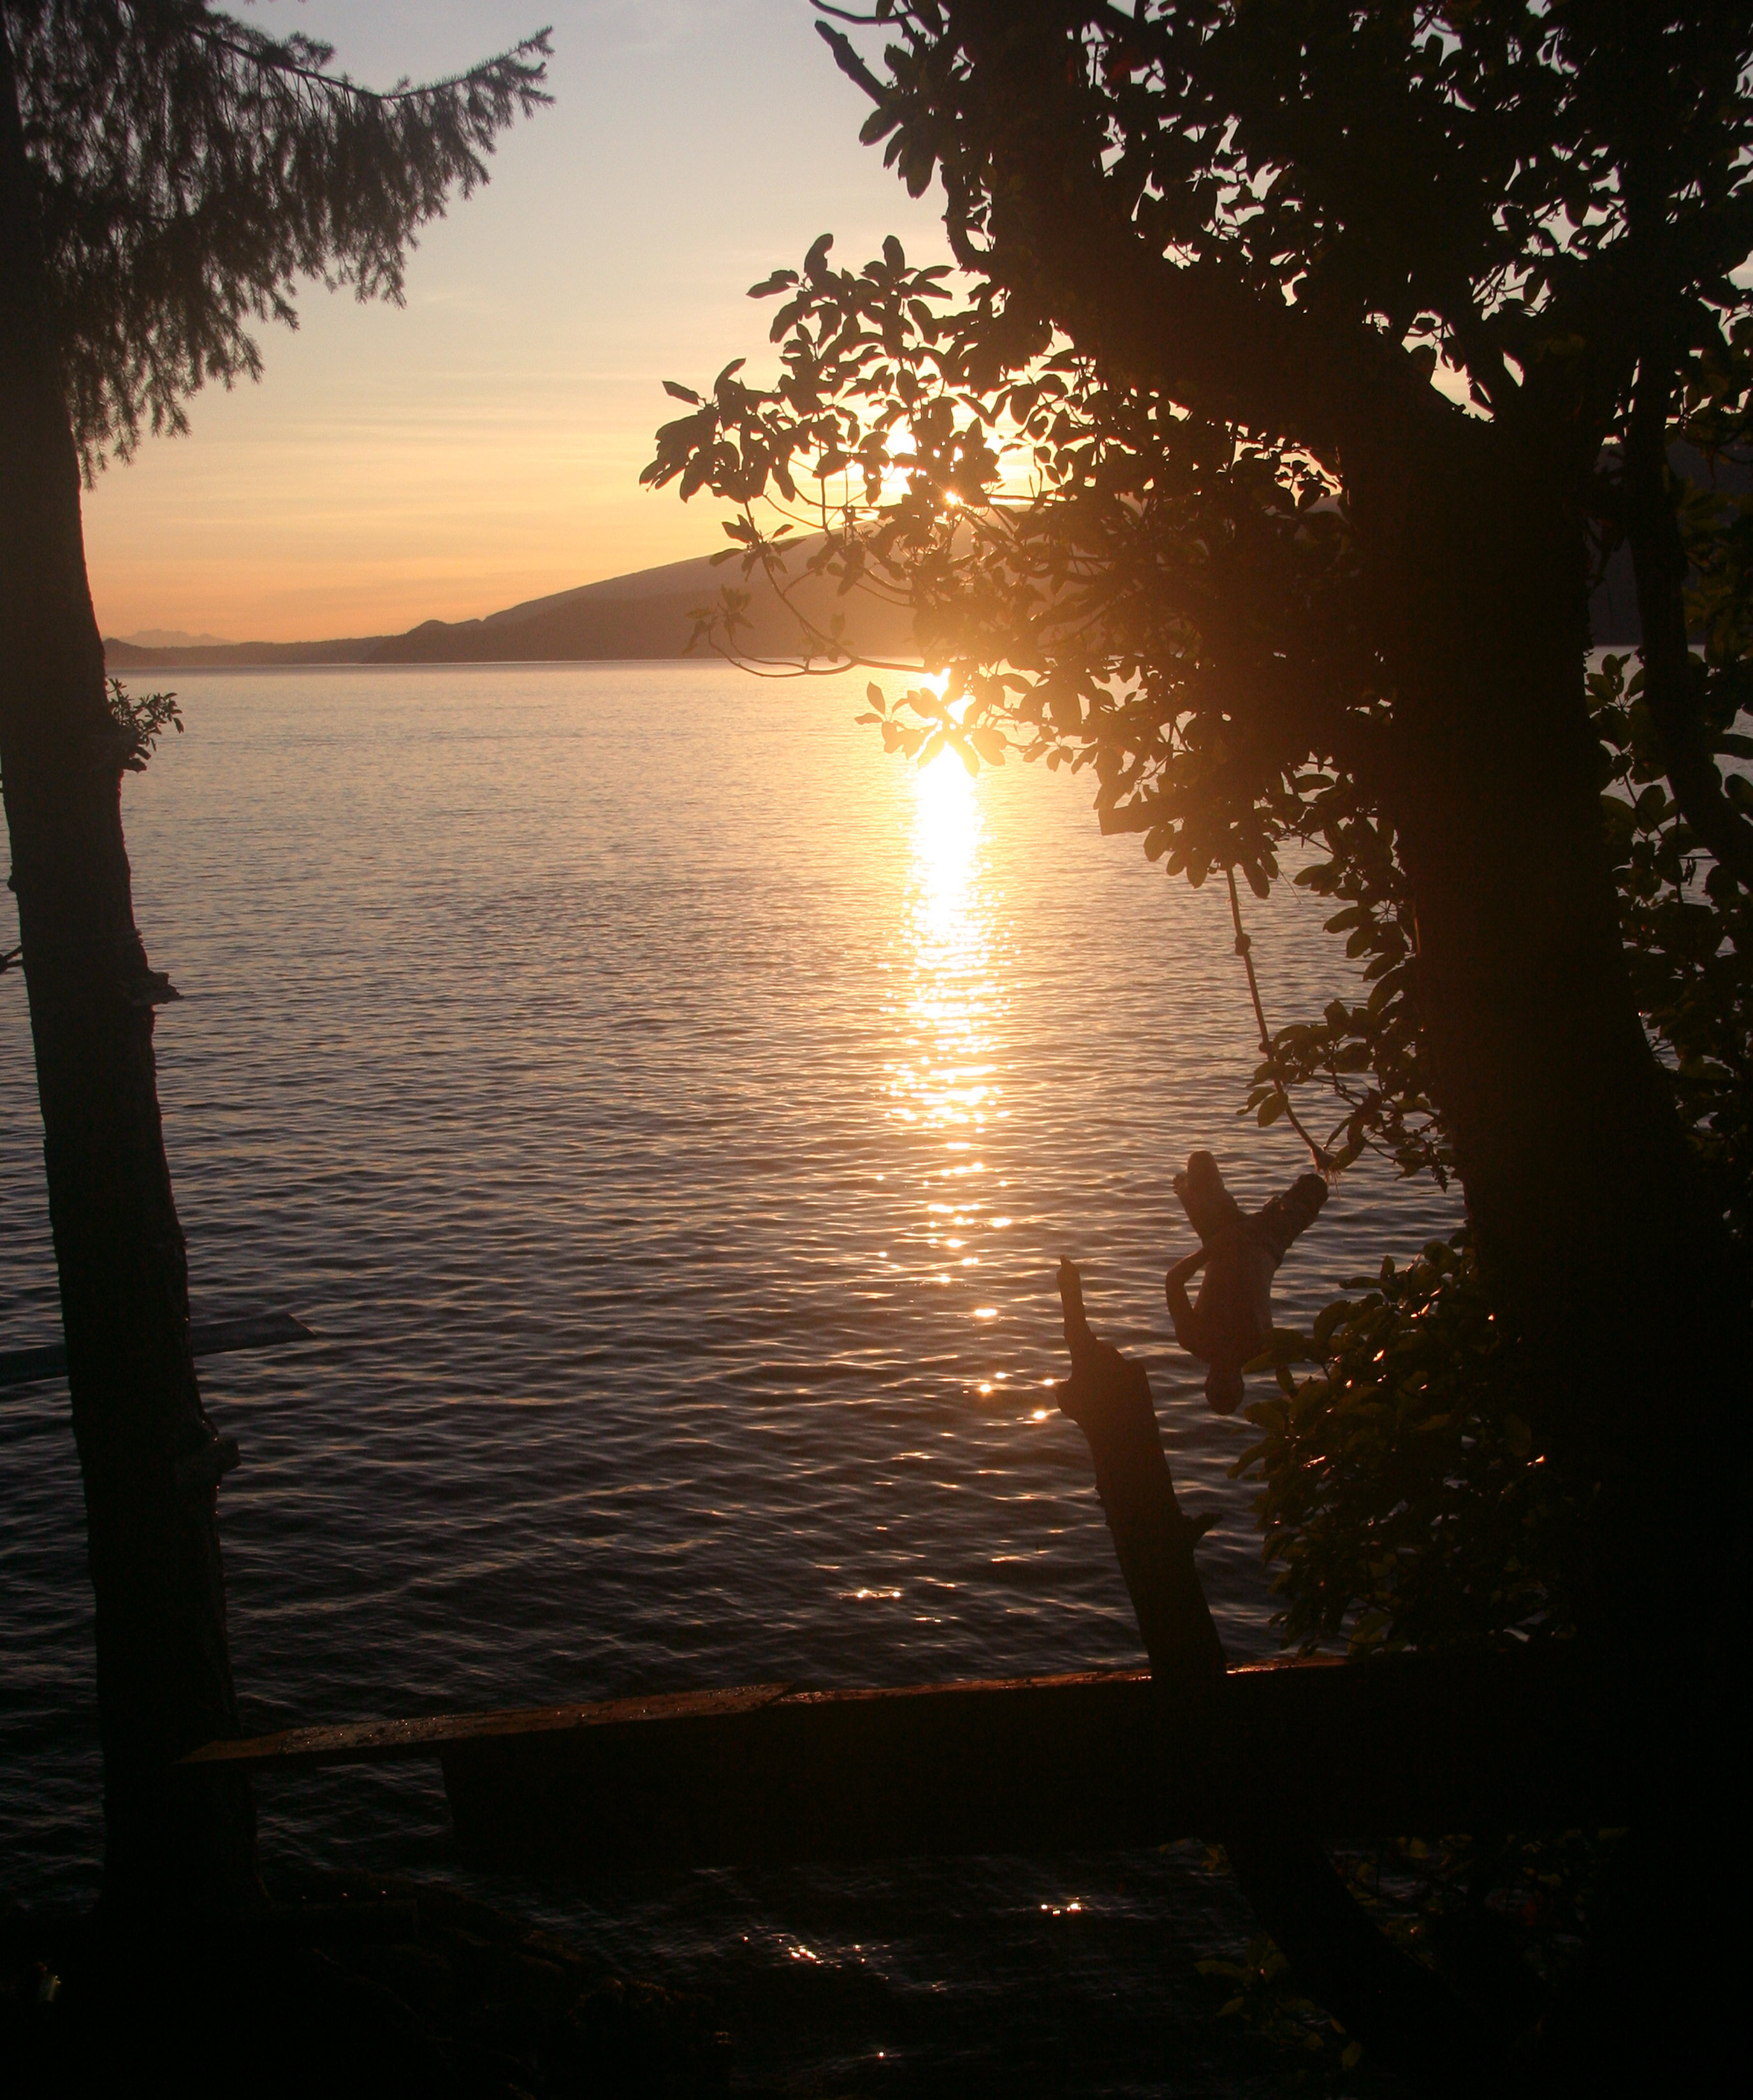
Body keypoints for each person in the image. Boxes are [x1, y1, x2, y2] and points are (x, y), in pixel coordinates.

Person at [1165, 1152, 1328, 1412]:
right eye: (1229, 1388)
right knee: (1316, 1187)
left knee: (1198, 1165)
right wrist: (1297, 1399)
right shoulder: (1260, 1351)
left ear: (1207, 1382)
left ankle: (1193, 1189)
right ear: (1241, 1385)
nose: (1223, 1380)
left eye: (1217, 1387)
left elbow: (1173, 1282)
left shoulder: (1193, 1338)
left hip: (1222, 1234)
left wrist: (1212, 1249)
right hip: (1269, 1241)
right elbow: (1286, 1366)